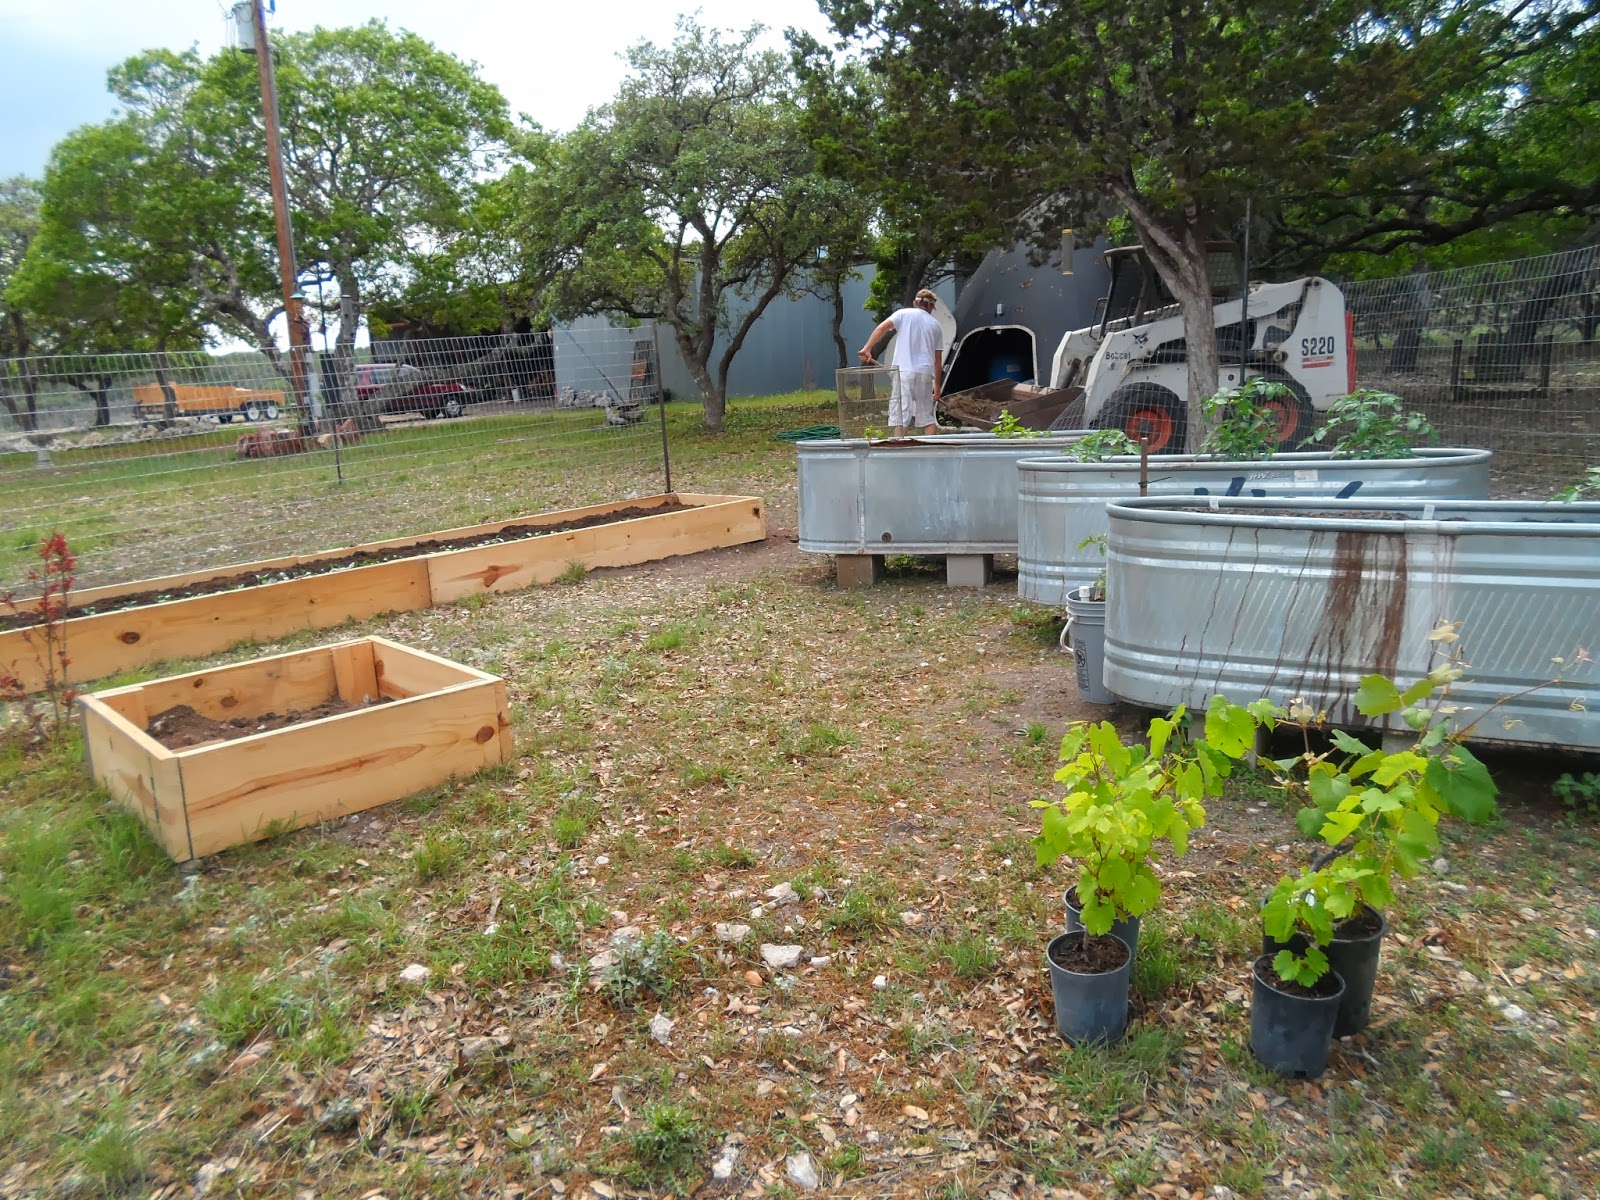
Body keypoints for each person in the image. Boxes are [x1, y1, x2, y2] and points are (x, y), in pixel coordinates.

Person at [858, 289, 945, 436]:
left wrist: (867, 348)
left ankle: (899, 450)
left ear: (916, 303)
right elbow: (938, 360)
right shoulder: (936, 325)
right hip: (924, 373)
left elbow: (882, 328)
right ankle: (931, 453)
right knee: (928, 417)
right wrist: (937, 387)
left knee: (900, 416)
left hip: (903, 372)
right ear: (930, 306)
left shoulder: (902, 314)